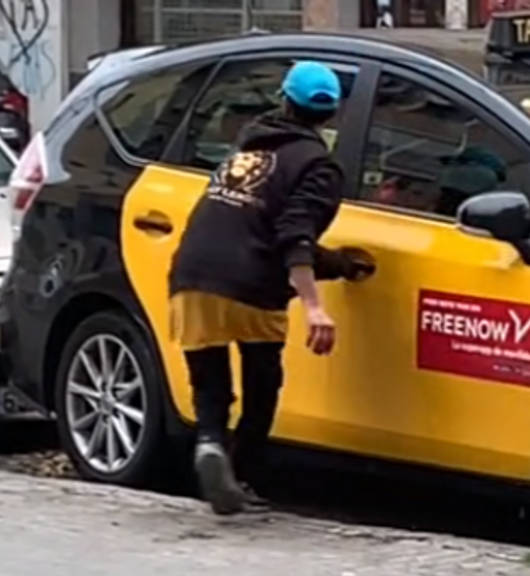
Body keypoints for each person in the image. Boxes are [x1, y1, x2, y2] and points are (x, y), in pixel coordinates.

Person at [167, 61, 374, 516]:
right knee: (263, 380)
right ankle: (244, 475)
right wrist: (316, 305)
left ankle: (209, 444)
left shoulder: (246, 149)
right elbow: (292, 236)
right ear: (332, 114)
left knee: (210, 379)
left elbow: (259, 221)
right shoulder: (318, 165)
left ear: (283, 99)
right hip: (250, 282)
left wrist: (337, 264)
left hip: (190, 274)